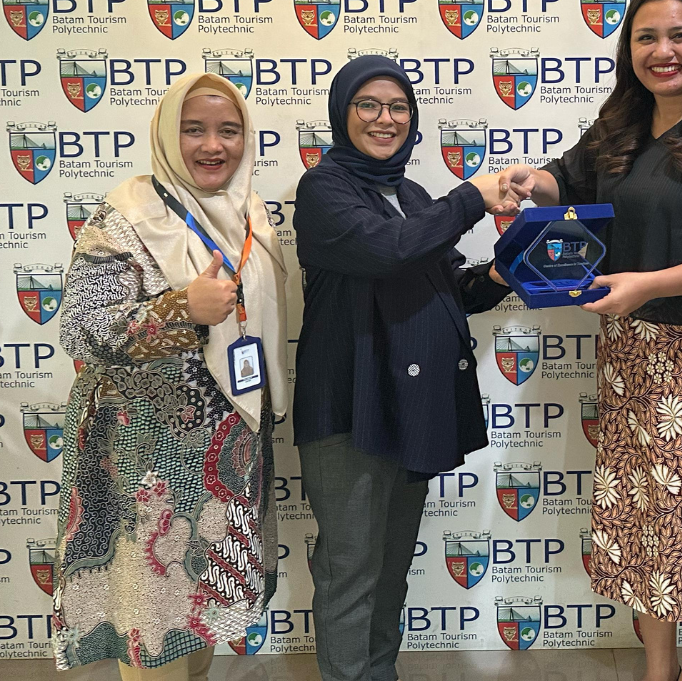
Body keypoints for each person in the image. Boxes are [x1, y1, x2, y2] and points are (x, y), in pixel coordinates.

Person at [499, 0, 682, 681]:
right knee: (644, 519)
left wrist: (649, 283)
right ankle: (657, 668)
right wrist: (533, 181)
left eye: (679, 35)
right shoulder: (622, 119)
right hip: (627, 350)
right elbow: (568, 181)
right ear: (629, 48)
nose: (662, 51)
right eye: (646, 37)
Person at [52, 74, 289, 678]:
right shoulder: (127, 215)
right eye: (193, 130)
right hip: (145, 459)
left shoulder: (250, 212)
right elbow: (80, 329)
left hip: (227, 447)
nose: (213, 145)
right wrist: (180, 307)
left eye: (228, 130)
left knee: (206, 612)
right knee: (151, 622)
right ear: (164, 135)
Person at [292, 55, 516, 681]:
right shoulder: (324, 188)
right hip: (348, 406)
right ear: (342, 113)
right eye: (367, 104)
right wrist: (471, 197)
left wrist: (503, 273)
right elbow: (386, 251)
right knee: (350, 570)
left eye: (398, 107)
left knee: (390, 569)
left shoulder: (412, 196)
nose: (384, 119)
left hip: (407, 407)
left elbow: (448, 287)